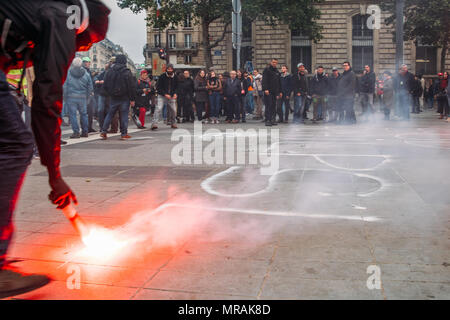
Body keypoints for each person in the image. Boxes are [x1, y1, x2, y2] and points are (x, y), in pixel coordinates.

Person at [0, 0, 109, 298]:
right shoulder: (64, 17)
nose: (82, 49)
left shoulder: (40, 10)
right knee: (15, 144)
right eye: (87, 43)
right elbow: (48, 100)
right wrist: (54, 174)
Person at [101, 54, 136, 140]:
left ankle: (104, 131)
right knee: (124, 115)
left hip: (113, 97)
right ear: (124, 61)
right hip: (124, 97)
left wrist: (110, 93)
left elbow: (105, 84)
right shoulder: (127, 71)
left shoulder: (110, 71)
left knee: (110, 114)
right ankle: (124, 134)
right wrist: (132, 99)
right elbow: (131, 86)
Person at [63, 57, 93, 138]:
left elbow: (65, 85)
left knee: (73, 115)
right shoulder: (86, 74)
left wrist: (65, 96)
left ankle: (76, 132)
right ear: (81, 64)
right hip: (82, 97)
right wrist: (87, 96)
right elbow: (90, 86)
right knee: (84, 114)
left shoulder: (68, 73)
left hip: (71, 97)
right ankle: (85, 132)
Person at [154, 64, 178, 129]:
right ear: (166, 70)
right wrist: (165, 94)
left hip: (171, 95)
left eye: (171, 69)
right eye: (168, 69)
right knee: (158, 108)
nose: (170, 70)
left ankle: (173, 123)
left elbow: (177, 87)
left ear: (173, 70)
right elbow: (158, 87)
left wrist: (175, 93)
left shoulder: (175, 77)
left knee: (174, 110)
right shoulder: (162, 76)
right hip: (162, 95)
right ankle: (154, 124)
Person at [262, 58, 281, 126]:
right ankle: (268, 120)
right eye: (273, 62)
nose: (274, 63)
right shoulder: (267, 70)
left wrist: (279, 92)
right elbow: (264, 80)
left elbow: (279, 82)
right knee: (268, 106)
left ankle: (273, 119)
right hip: (268, 91)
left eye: (275, 62)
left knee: (273, 106)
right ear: (271, 62)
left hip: (274, 92)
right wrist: (265, 89)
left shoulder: (277, 71)